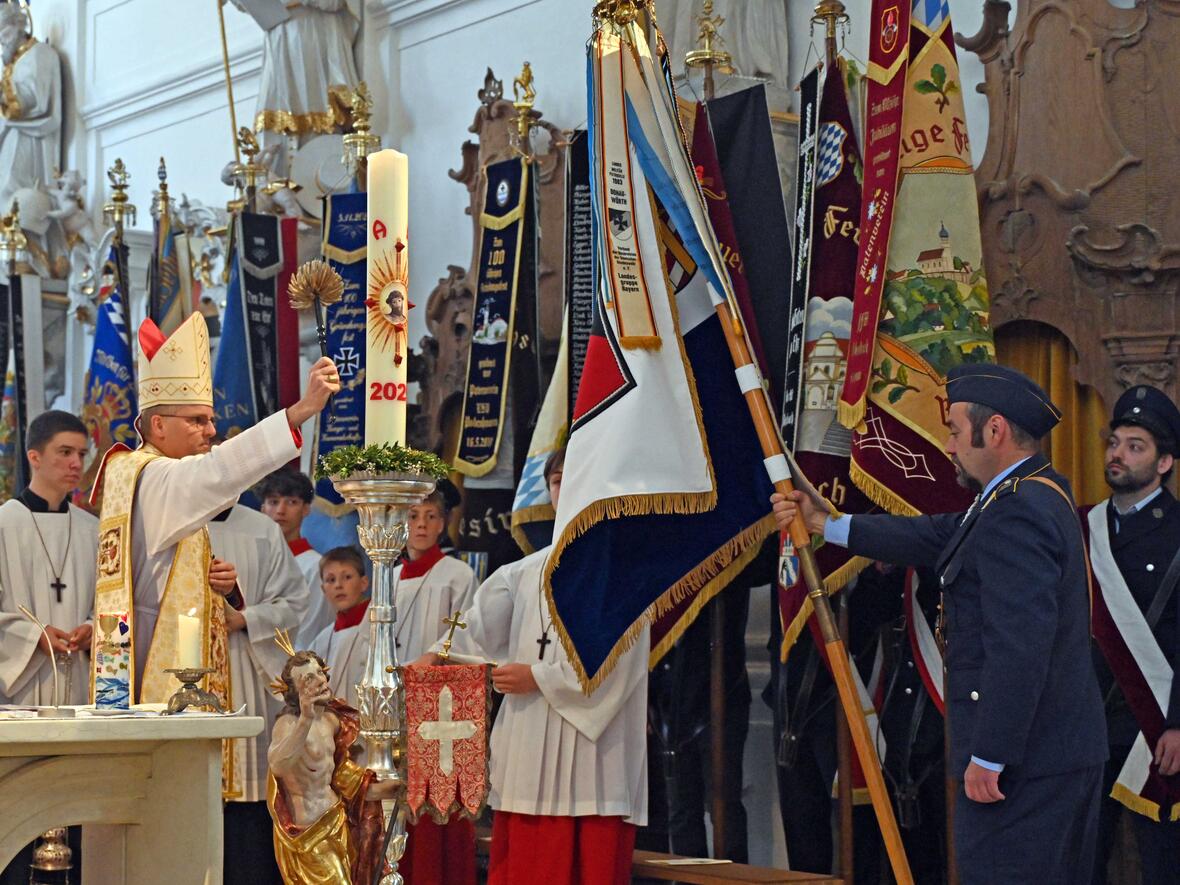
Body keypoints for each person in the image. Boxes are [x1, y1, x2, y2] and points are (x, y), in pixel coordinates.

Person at [772, 363, 1107, 884]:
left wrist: (992, 755)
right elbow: (936, 536)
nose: (949, 446)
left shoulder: (1017, 510)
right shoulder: (1026, 493)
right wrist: (827, 524)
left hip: (1025, 764)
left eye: (954, 431)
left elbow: (1019, 649)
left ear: (993, 430)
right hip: (1049, 753)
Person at [416, 448, 648, 885]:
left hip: (591, 761)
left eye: (575, 476)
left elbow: (621, 668)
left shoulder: (624, 573)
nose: (564, 487)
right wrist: (437, 654)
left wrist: (538, 678)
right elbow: (473, 629)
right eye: (557, 480)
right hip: (529, 748)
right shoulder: (521, 573)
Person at [89, 311, 339, 706]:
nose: (210, 430)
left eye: (210, 420)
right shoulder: (153, 475)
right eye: (196, 420)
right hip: (153, 654)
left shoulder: (138, 472)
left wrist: (221, 585)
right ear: (157, 426)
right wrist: (300, 411)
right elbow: (218, 472)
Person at [1087, 385, 1180, 884]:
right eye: (1115, 442)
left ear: (1164, 462)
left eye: (1135, 446)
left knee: (1163, 865)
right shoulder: (1083, 528)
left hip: (1156, 730)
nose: (1117, 454)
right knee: (1081, 863)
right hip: (1085, 727)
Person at [0, 411, 97, 885]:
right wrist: (31, 635)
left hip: (79, 685)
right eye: (65, 451)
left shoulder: (94, 530)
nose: (77, 462)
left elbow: (115, 602)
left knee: (77, 810)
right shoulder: (3, 524)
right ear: (34, 456)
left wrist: (94, 630)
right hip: (20, 691)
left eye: (82, 453)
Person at [206, 492, 311, 885]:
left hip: (245, 674)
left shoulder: (261, 529)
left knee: (248, 813)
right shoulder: (172, 525)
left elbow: (296, 602)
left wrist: (246, 619)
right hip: (186, 676)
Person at [393, 483, 478, 885]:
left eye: (430, 516)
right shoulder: (387, 576)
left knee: (433, 815)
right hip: (394, 700)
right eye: (413, 516)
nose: (421, 524)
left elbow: (464, 629)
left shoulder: (456, 574)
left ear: (444, 523)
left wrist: (428, 660)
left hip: (439, 704)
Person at [267, 648, 398, 885]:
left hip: (338, 822)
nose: (320, 680)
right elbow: (278, 765)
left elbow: (340, 774)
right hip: (310, 833)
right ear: (294, 691)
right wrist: (305, 719)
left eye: (319, 672)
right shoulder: (288, 724)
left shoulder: (331, 720)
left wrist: (389, 788)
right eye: (308, 678)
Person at [255, 467, 328, 647]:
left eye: (291, 502)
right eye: (273, 502)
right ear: (263, 508)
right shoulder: (252, 560)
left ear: (305, 509)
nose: (281, 510)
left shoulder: (315, 565)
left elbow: (313, 627)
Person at [0, 4, 62, 214]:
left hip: (27, 135)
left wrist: (4, 94)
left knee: (12, 191)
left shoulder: (39, 53)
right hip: (10, 133)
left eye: (4, 32)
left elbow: (37, 98)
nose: (1, 40)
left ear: (19, 25)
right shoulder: (12, 65)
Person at [309, 546, 370, 710]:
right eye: (330, 580)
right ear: (323, 589)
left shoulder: (376, 628)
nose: (338, 585)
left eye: (347, 577)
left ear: (364, 583)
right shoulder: (321, 640)